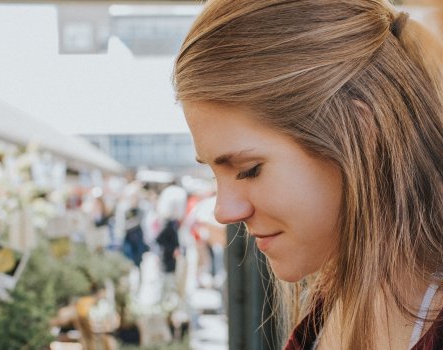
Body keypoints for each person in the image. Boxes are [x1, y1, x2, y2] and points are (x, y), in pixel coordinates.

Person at [174, 1, 443, 349]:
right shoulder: (330, 307)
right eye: (214, 174)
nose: (224, 212)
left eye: (248, 170)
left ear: (362, 133)